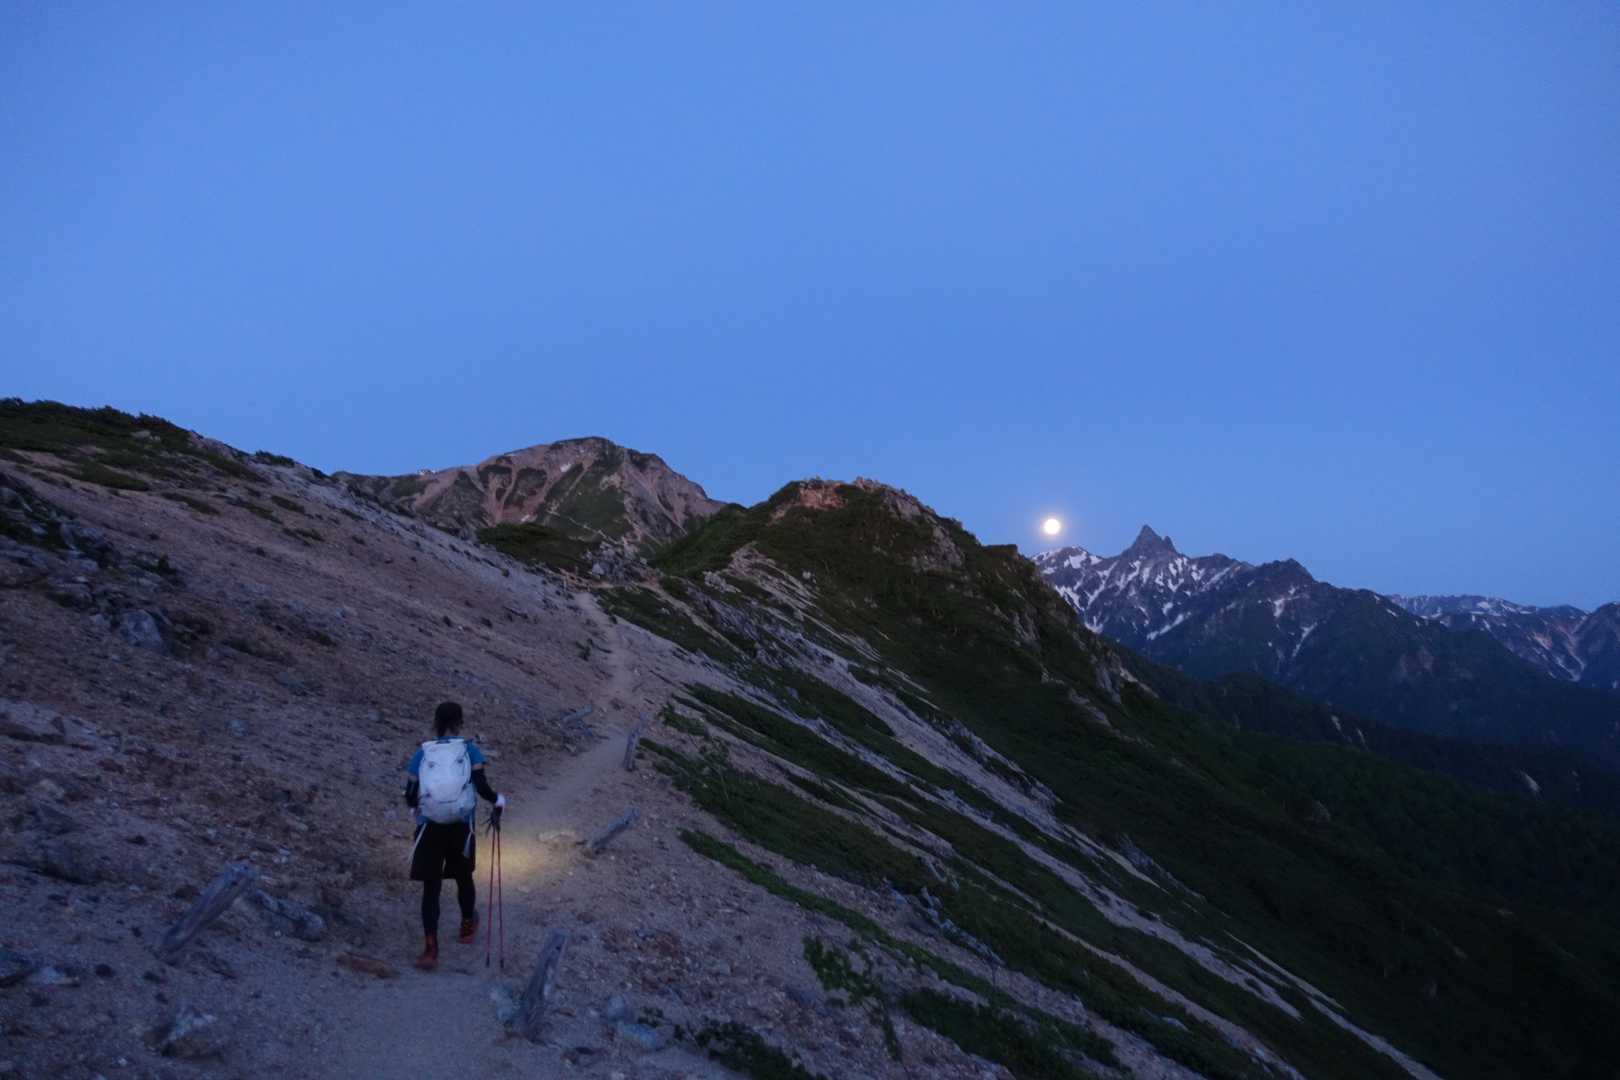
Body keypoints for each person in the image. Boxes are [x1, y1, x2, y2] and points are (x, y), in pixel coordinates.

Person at [403, 701, 506, 971]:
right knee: (463, 877)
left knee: (431, 887)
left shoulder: (423, 753)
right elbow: (481, 787)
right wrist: (498, 801)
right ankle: (467, 927)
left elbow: (410, 794)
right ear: (460, 722)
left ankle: (430, 949)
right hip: (461, 825)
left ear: (436, 723)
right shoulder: (469, 750)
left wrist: (416, 809)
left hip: (429, 826)